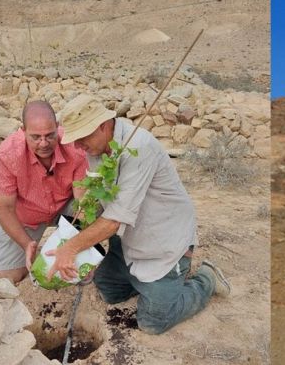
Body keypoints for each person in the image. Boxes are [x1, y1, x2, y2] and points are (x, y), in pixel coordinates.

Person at [48, 94, 230, 335]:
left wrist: (71, 248)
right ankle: (147, 284)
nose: (77, 147)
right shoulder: (96, 149)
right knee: (110, 292)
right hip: (128, 239)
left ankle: (206, 279)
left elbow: (114, 220)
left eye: (81, 138)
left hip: (163, 241)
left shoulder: (138, 147)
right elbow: (105, 201)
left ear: (102, 126)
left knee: (153, 322)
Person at [0, 101, 88, 284]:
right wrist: (26, 244)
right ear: (23, 130)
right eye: (35, 137)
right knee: (6, 275)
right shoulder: (7, 155)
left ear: (57, 128)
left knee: (97, 208)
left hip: (65, 208)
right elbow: (4, 209)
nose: (44, 143)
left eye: (50, 135)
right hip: (27, 216)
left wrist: (75, 246)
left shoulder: (74, 146)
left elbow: (82, 202)